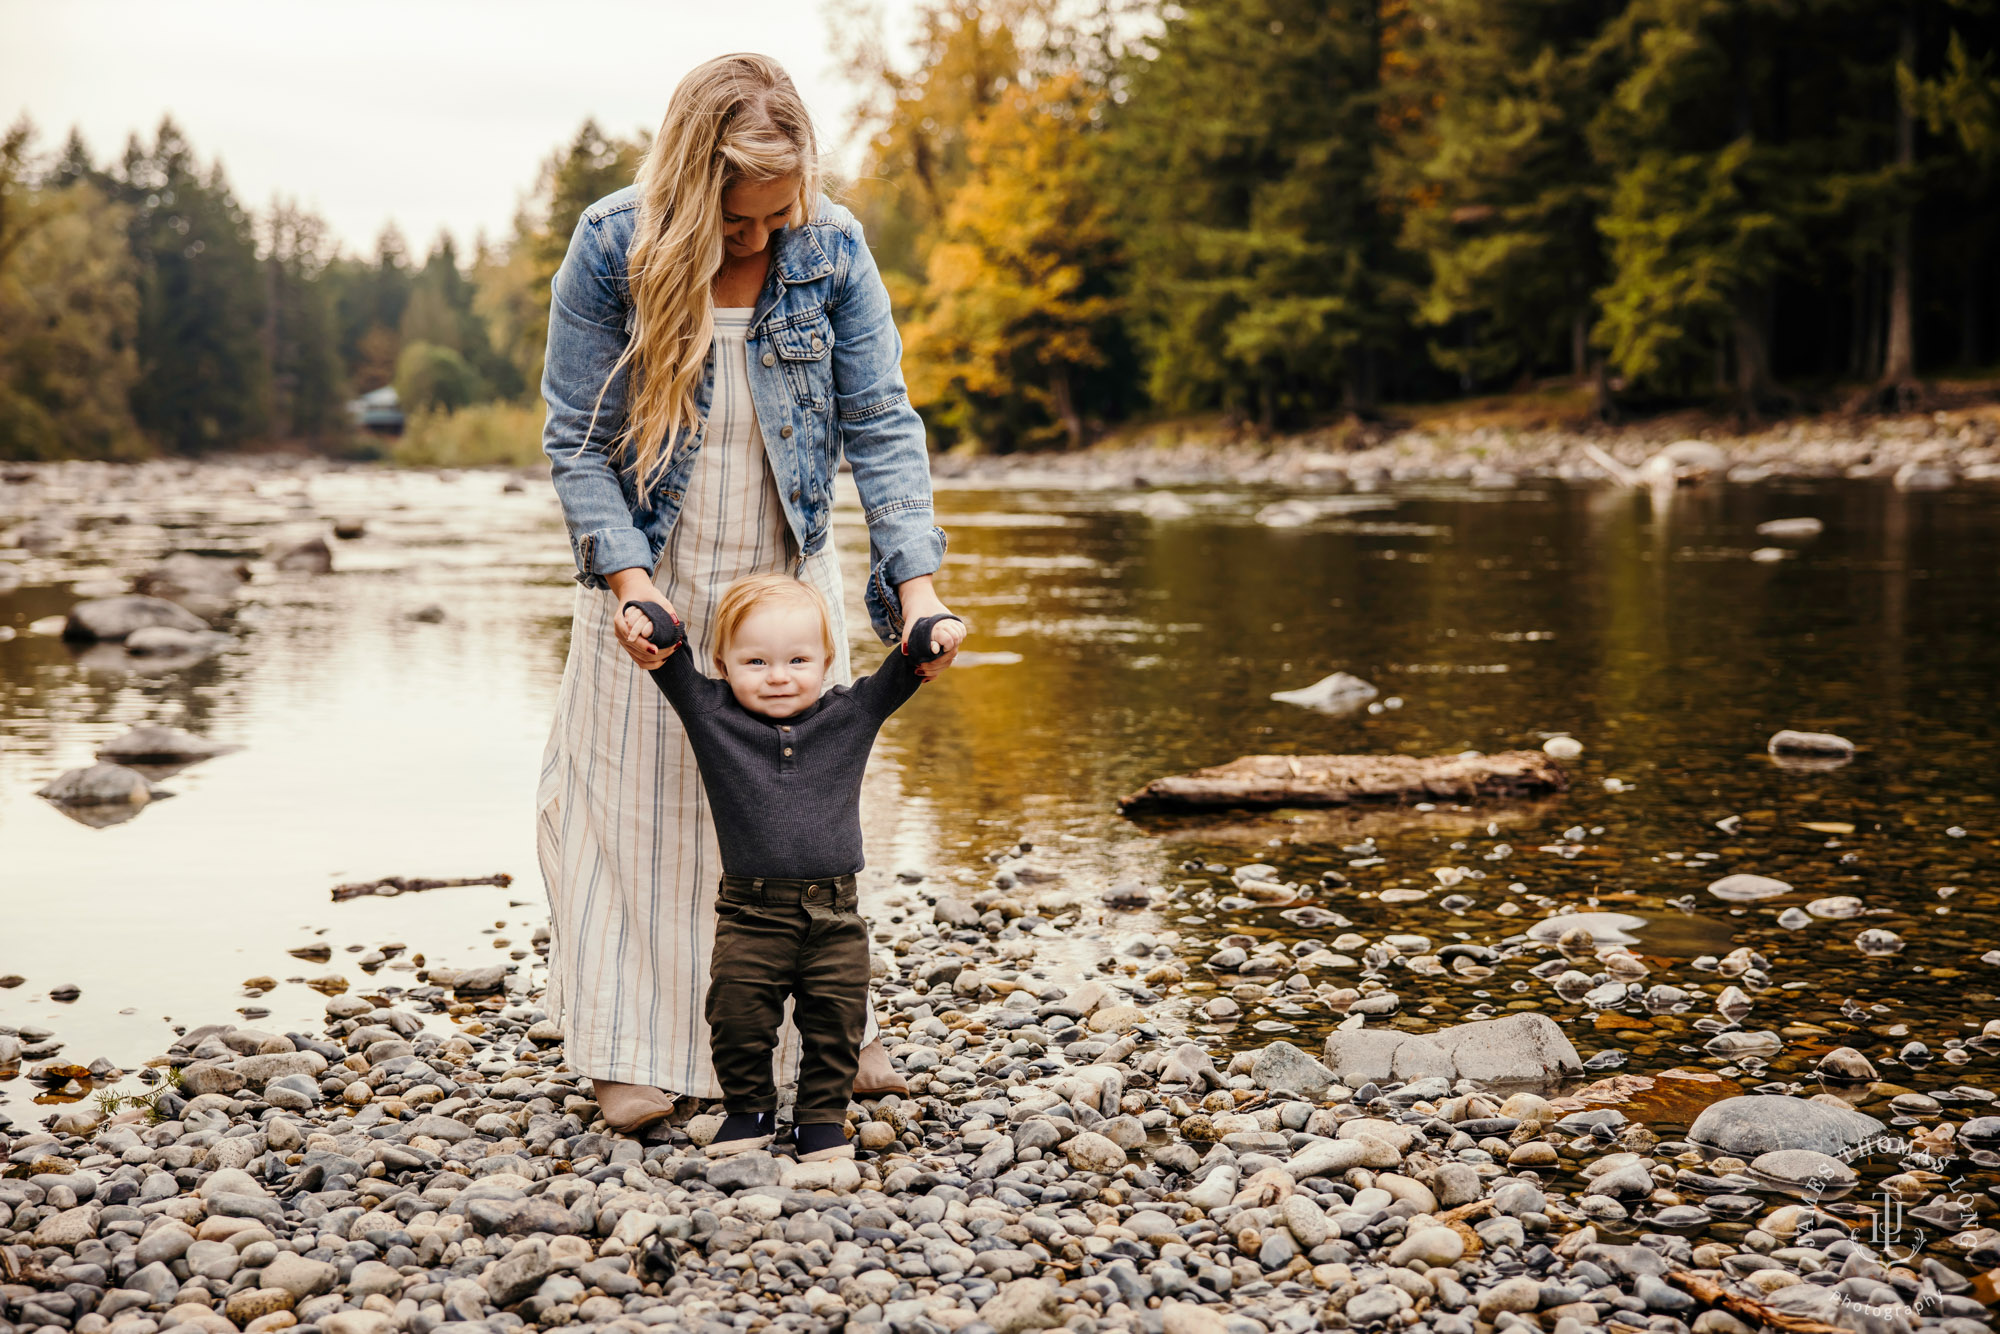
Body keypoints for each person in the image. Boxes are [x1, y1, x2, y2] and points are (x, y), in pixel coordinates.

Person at [535, 52, 960, 1138]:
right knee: (635, 816)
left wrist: (915, 590)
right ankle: (632, 1050)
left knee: (797, 806)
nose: (759, 238)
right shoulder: (606, 248)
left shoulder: (834, 247)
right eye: (736, 220)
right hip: (649, 570)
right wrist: (628, 584)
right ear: (687, 191)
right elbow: (578, 447)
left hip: (784, 571)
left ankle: (817, 1030)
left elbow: (881, 425)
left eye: (777, 214)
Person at [622, 577, 963, 1159]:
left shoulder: (852, 713)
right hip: (751, 913)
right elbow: (666, 654)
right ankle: (749, 1111)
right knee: (737, 1017)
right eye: (755, 661)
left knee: (836, 1023)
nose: (778, 676)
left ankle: (821, 1122)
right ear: (722, 664)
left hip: (834, 911)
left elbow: (909, 658)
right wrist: (648, 623)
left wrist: (936, 631)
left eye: (798, 660)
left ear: (826, 661)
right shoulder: (710, 712)